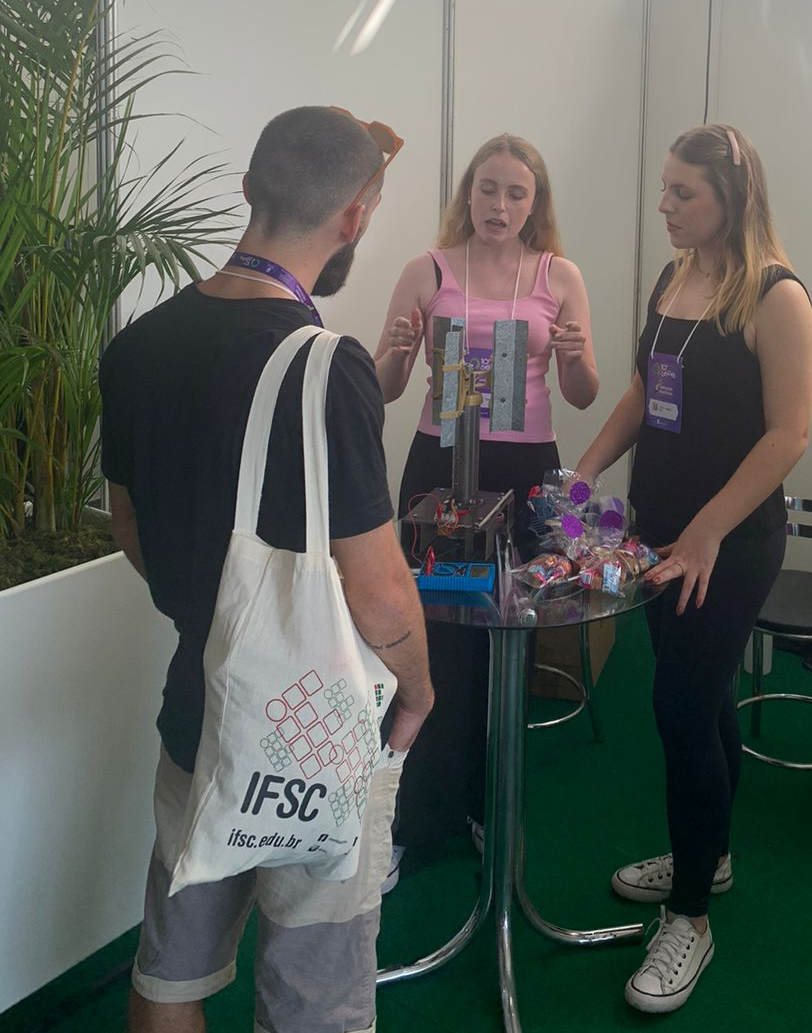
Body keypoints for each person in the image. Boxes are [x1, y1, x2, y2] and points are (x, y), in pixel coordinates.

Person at [100, 106, 434, 1033]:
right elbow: (375, 587)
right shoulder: (330, 366)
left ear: (248, 187)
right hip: (316, 729)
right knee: (316, 992)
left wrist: (210, 606)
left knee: (172, 972)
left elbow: (131, 525)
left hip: (196, 706)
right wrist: (417, 686)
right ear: (356, 219)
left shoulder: (135, 348)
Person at [575, 123, 812, 1013]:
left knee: (678, 705)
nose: (666, 207)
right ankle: (707, 854)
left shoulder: (775, 296)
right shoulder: (675, 278)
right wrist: (589, 466)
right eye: (665, 190)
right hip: (659, 530)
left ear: (734, 200)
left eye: (685, 194)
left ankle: (690, 919)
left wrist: (710, 530)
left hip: (731, 540)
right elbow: (645, 387)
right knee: (702, 695)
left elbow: (789, 432)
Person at [374, 133, 598, 864]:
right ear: (466, 193)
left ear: (536, 204)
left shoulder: (558, 274)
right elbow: (383, 386)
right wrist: (399, 352)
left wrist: (573, 357)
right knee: (431, 637)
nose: (499, 205)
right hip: (440, 460)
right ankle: (414, 816)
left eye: (516, 192)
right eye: (488, 188)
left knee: (511, 634)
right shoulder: (427, 269)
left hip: (527, 466)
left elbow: (584, 394)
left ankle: (486, 806)